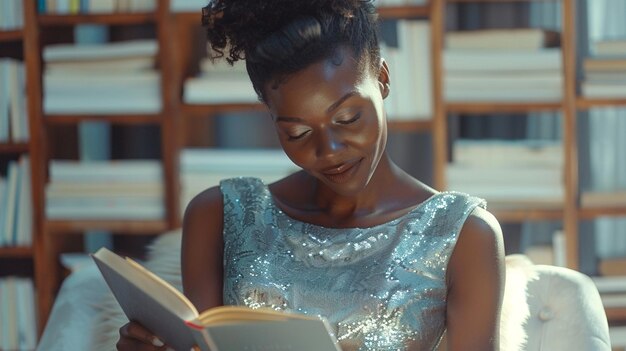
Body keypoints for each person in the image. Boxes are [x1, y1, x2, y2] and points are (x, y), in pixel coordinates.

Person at [117, 0, 505, 350]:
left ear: (383, 79)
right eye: (297, 133)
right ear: (271, 118)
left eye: (348, 118)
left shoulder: (463, 235)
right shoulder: (219, 215)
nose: (329, 150)